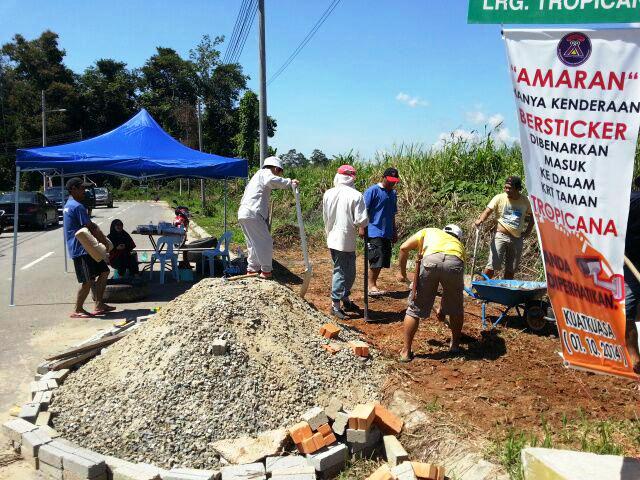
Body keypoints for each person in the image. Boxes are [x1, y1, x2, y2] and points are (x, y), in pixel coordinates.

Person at [397, 225, 466, 361]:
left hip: (430, 260)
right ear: (458, 237)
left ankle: (405, 352)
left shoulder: (429, 231)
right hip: (455, 262)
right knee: (456, 308)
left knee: (414, 309)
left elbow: (403, 248)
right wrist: (444, 309)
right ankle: (455, 346)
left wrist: (402, 272)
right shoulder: (459, 245)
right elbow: (449, 289)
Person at [238, 156, 299, 279]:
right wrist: (289, 182)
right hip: (252, 212)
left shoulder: (257, 175)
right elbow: (272, 181)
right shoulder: (266, 173)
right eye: (280, 173)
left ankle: (252, 269)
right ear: (276, 169)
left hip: (244, 212)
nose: (280, 175)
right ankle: (266, 271)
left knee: (253, 243)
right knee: (265, 242)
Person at [322, 165, 369, 319]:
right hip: (344, 239)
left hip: (333, 237)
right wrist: (365, 226)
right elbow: (361, 220)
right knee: (342, 272)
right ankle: (335, 306)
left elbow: (325, 216)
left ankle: (345, 299)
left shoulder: (328, 193)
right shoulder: (356, 195)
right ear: (351, 178)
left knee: (347, 271)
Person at [63, 177, 115, 318]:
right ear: (73, 189)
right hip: (81, 249)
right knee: (87, 281)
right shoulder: (77, 206)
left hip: (87, 248)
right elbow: (92, 227)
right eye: (81, 188)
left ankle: (99, 304)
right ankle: (78, 309)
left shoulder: (69, 204)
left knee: (104, 272)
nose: (84, 191)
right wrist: (105, 243)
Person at [474, 175, 533, 279]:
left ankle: (505, 291)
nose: (507, 190)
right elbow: (488, 211)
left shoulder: (525, 201)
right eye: (505, 187)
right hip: (500, 236)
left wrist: (528, 231)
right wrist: (480, 220)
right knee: (492, 265)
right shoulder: (499, 197)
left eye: (510, 188)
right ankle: (481, 288)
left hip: (517, 239)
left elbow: (533, 216)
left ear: (518, 189)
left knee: (511, 269)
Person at [361, 167, 399, 295]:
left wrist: (394, 231)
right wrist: (362, 227)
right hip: (373, 230)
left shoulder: (393, 194)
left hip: (386, 231)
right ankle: (371, 286)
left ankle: (373, 284)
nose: (392, 183)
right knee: (376, 258)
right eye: (390, 180)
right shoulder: (372, 191)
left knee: (383, 260)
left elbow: (392, 214)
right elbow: (363, 210)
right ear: (383, 177)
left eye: (394, 181)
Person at [624, 176, 640, 374]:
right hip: (632, 260)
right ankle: (634, 358)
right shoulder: (632, 201)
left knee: (630, 307)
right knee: (629, 306)